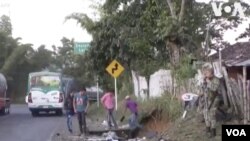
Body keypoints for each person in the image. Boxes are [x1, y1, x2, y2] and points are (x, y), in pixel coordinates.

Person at [201, 64, 221, 138]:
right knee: (205, 113)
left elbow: (214, 89)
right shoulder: (206, 80)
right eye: (205, 73)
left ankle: (213, 131)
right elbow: (203, 89)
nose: (205, 74)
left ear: (211, 73)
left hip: (215, 99)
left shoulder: (216, 80)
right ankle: (208, 128)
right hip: (207, 99)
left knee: (212, 114)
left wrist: (208, 82)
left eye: (207, 73)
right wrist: (204, 82)